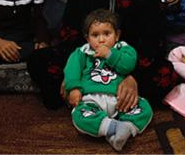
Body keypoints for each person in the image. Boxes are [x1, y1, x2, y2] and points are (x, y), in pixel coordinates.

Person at [32, 0, 178, 110]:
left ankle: (98, 95)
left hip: (127, 60)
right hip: (88, 58)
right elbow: (70, 31)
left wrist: (132, 76)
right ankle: (108, 96)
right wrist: (73, 76)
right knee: (38, 60)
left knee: (167, 73)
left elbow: (153, 40)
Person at [65, 9, 152, 151]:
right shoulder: (82, 52)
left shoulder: (123, 48)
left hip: (120, 100)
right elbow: (72, 70)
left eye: (107, 34)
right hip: (91, 99)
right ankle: (111, 128)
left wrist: (110, 55)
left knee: (144, 107)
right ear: (87, 38)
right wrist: (74, 88)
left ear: (117, 35)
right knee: (79, 115)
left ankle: (127, 128)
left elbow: (128, 65)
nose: (101, 40)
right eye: (95, 35)